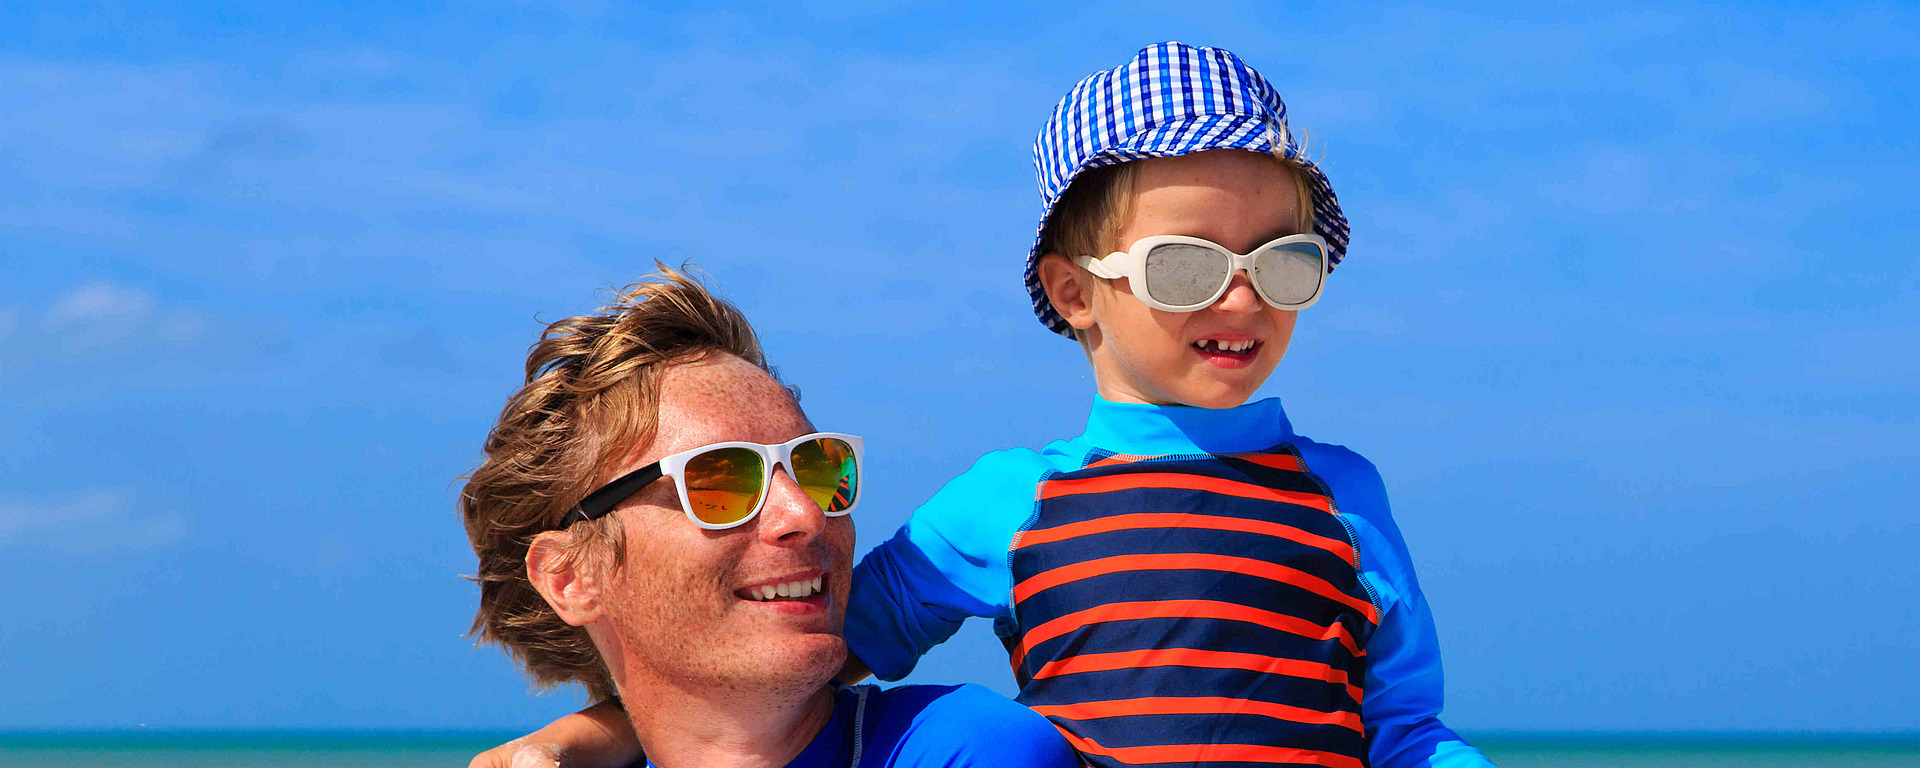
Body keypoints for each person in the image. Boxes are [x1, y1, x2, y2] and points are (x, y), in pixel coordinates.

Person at [477, 42, 1495, 768]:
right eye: (1187, 266)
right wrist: (593, 735)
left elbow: (1405, 728)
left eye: (1283, 261)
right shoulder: (1011, 502)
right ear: (1074, 291)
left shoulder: (1343, 495)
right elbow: (793, 649)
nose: (1242, 297)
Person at [458, 269, 1080, 768]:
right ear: (571, 578)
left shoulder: (964, 749)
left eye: (818, 467)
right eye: (721, 481)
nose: (806, 513)